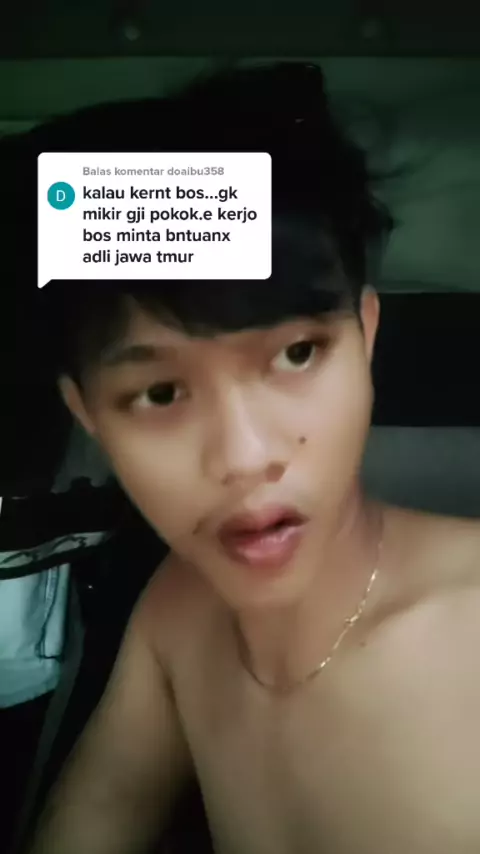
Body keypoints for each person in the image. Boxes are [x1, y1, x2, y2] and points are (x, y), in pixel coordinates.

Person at [15, 62, 480, 853]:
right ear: (87, 414)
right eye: (161, 393)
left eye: (297, 354)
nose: (245, 456)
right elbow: (100, 813)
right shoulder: (175, 609)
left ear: (367, 337)